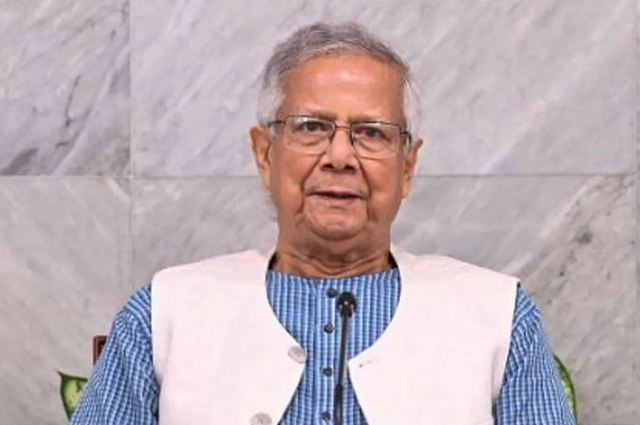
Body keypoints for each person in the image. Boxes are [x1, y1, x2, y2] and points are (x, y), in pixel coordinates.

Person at [70, 22, 575, 425]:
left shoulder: (499, 317)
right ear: (265, 154)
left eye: (371, 133)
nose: (339, 156)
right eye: (311, 127)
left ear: (407, 166)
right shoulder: (163, 313)